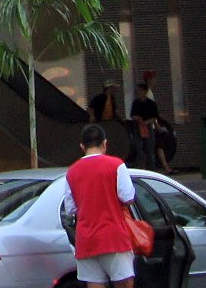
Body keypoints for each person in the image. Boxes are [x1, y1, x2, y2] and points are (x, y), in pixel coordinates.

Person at [60, 123, 137, 288]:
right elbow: (128, 197)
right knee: (124, 283)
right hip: (113, 237)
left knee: (94, 284)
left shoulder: (71, 172)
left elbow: (71, 208)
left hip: (86, 240)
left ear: (82, 146)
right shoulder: (116, 165)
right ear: (105, 143)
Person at [128, 83, 159, 169]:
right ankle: (141, 167)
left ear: (145, 91)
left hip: (148, 127)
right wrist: (139, 120)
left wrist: (147, 122)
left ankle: (151, 169)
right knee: (139, 148)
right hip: (137, 127)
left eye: (140, 90)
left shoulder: (151, 103)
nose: (139, 92)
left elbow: (155, 117)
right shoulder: (135, 103)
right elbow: (132, 115)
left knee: (150, 149)